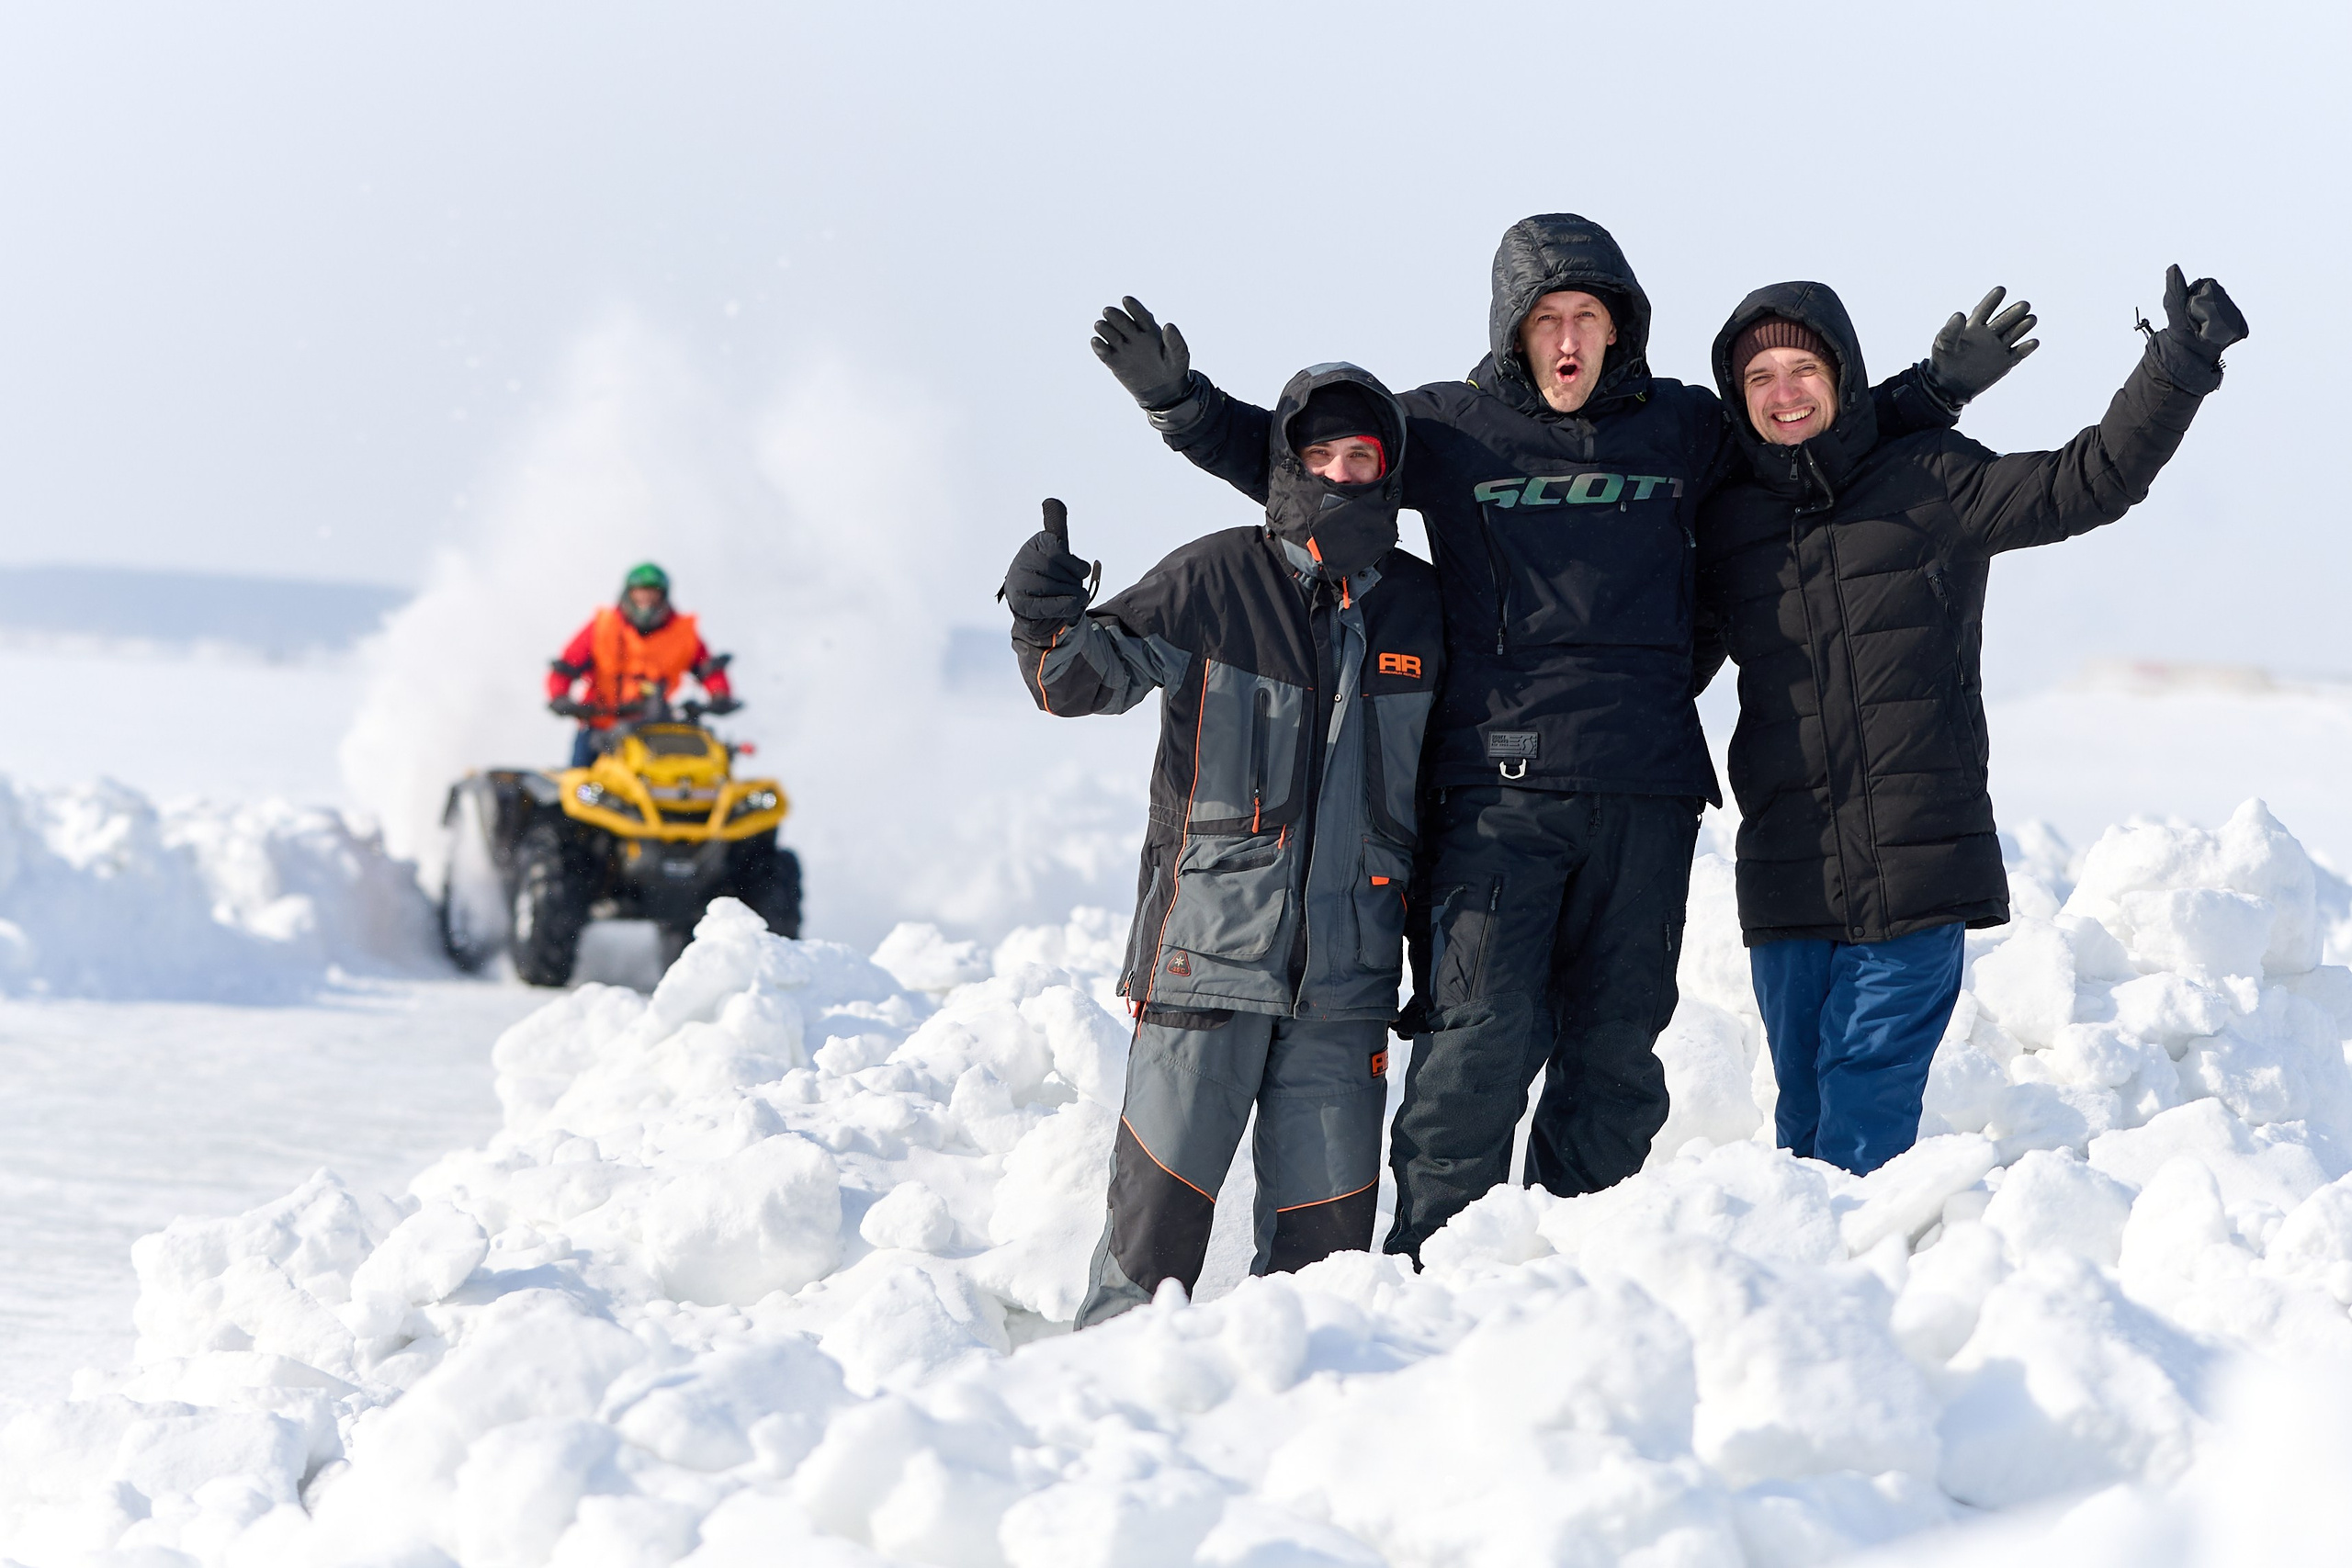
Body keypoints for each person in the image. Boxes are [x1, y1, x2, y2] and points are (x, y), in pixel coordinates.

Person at [1090, 214, 2036, 1258]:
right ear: (1514, 333)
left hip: (1646, 792)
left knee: (1615, 1062)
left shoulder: (1682, 428)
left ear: (1620, 326)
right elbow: (1321, 472)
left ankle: (1575, 1273)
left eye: (1588, 315)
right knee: (1476, 1048)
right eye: (1548, 320)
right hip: (1497, 799)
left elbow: (1806, 429)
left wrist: (1931, 392)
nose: (1569, 337)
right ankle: (1437, 1266)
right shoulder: (1450, 430)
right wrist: (1181, 407)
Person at [1692, 266, 2245, 1175]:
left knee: (1862, 1113)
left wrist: (2175, 366)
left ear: (1842, 375)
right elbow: (1666, 661)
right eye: (1759, 379)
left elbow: (2087, 481)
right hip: (1788, 876)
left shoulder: (1929, 481)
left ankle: (1861, 1293)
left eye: (1802, 370)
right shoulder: (1729, 526)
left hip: (1915, 867)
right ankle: (1809, 1296)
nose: (1783, 393)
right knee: (1801, 1118)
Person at [1001, 366, 1444, 1325]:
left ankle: (1293, 1429)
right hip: (1203, 963)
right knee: (1148, 1245)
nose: (1335, 474)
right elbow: (1078, 682)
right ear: (1286, 467)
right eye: (1316, 455)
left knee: (1325, 1272)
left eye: (1358, 457)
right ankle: (1102, 1403)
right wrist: (1041, 615)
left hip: (1346, 983)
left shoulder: (1422, 609)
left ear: (1387, 474)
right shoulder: (1213, 579)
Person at [547, 562, 736, 766]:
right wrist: (560, 697)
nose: (645, 599)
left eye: (652, 593)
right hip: (600, 728)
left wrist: (719, 695)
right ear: (628, 593)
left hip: (656, 732)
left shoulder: (682, 634)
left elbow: (707, 669)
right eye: (640, 592)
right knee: (580, 788)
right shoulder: (603, 627)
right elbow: (566, 666)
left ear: (663, 595)